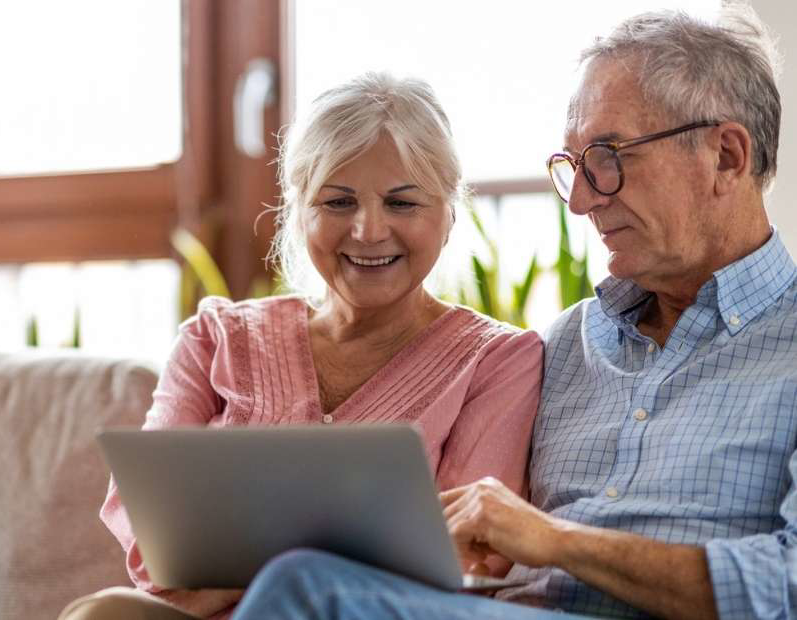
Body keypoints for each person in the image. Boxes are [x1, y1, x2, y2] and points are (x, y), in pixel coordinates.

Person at [229, 5, 796, 620]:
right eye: (574, 167)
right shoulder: (562, 346)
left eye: (607, 158)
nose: (580, 201)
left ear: (727, 157)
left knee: (311, 591)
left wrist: (554, 540)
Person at [58, 72, 544, 620]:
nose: (367, 230)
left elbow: (468, 555)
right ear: (300, 212)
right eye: (337, 202)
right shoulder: (214, 336)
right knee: (106, 613)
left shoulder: (498, 359)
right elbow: (150, 518)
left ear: (450, 214)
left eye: (402, 204)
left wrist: (245, 576)